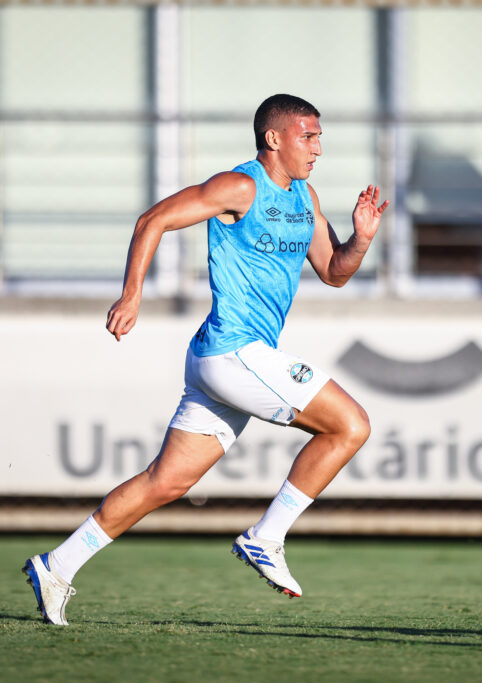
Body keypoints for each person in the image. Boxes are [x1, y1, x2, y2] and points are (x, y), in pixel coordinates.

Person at [22, 94, 389, 625]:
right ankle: (268, 535)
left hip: (223, 359)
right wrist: (131, 296)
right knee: (351, 425)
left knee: (166, 482)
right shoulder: (239, 186)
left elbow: (334, 271)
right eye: (308, 136)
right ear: (274, 139)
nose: (318, 148)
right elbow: (153, 220)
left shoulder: (304, 198)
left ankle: (57, 565)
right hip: (234, 350)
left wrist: (362, 237)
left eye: (319, 137)